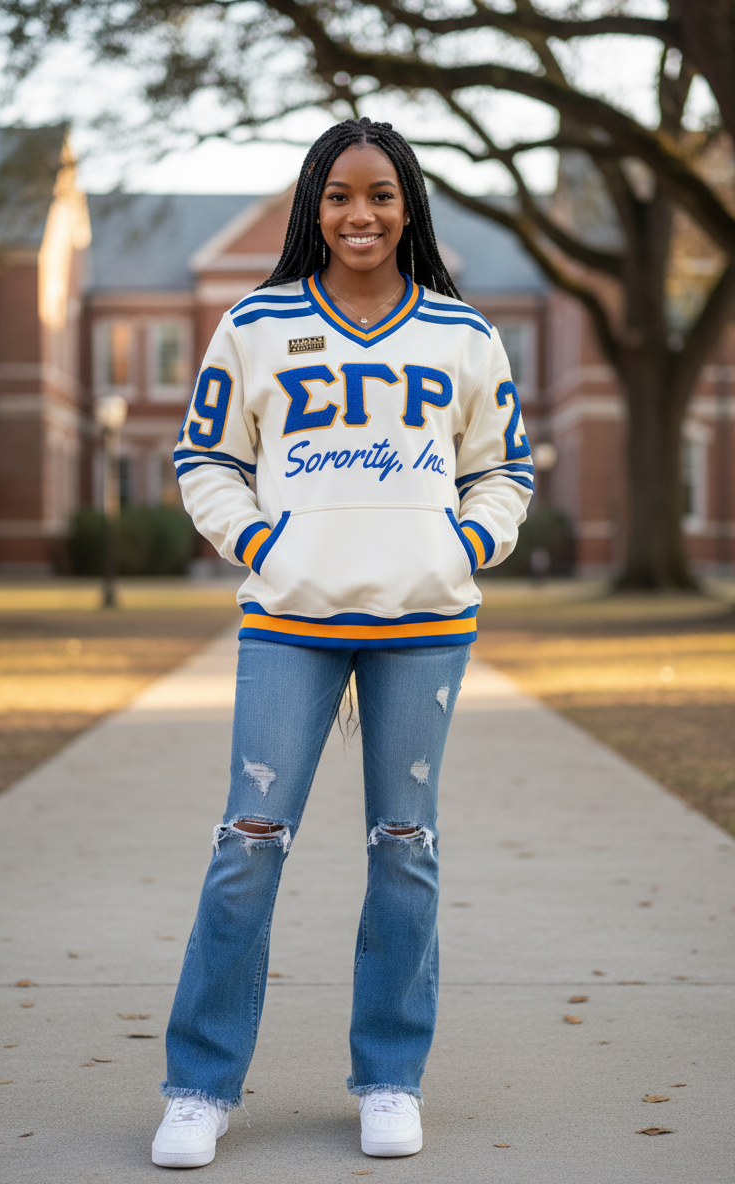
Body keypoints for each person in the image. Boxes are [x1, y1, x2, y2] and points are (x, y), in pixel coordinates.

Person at [151, 117, 534, 1168]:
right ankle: (198, 1086)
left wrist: (461, 545)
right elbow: (206, 459)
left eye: (379, 195)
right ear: (312, 208)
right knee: (248, 840)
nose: (359, 214)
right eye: (338, 195)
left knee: (405, 846)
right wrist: (264, 544)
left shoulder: (461, 333)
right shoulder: (257, 322)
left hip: (424, 624)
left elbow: (505, 469)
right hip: (291, 623)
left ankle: (390, 1077)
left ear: (409, 207)